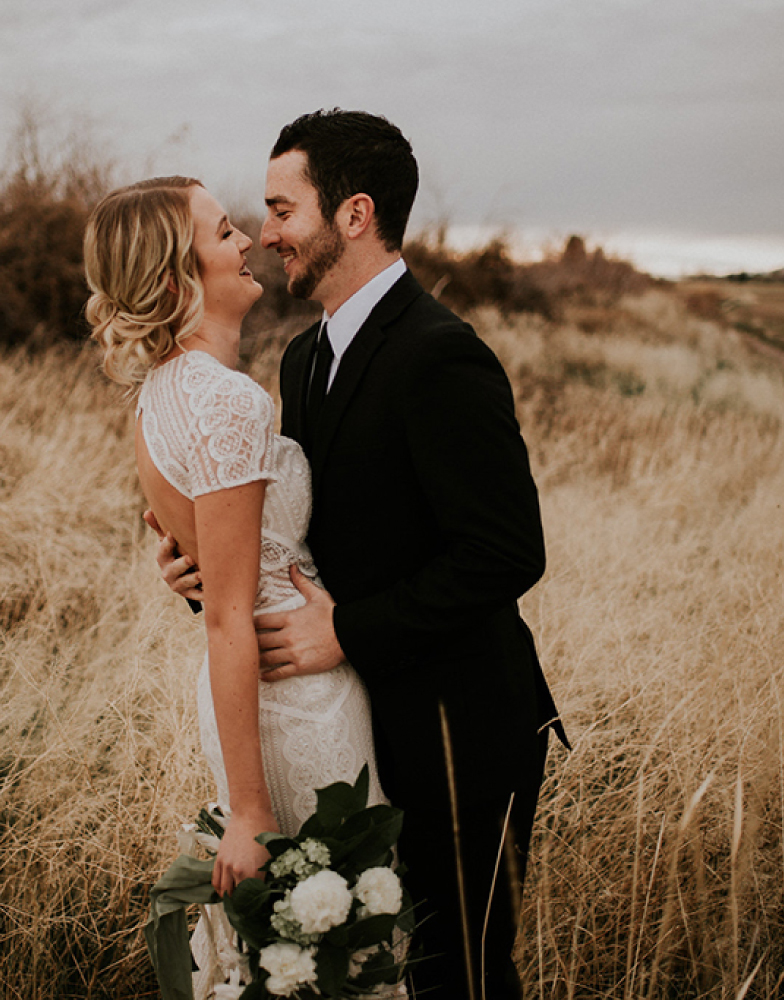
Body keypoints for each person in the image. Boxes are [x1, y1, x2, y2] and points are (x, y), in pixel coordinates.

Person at [158, 110, 568, 999]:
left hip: (461, 724)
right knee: (358, 970)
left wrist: (350, 630)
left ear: (353, 215)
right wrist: (207, 576)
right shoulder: (304, 360)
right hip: (348, 727)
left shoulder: (441, 354)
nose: (266, 234)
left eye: (281, 208)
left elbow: (506, 552)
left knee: (455, 970)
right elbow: (303, 543)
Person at [83, 177, 389, 997]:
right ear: (182, 274)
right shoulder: (226, 402)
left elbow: (216, 580)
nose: (249, 240)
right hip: (291, 695)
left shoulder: (159, 395)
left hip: (264, 690)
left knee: (294, 942)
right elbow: (226, 614)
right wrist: (249, 810)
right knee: (334, 940)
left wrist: (187, 574)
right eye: (224, 233)